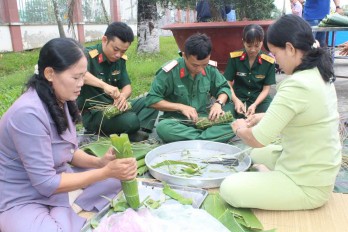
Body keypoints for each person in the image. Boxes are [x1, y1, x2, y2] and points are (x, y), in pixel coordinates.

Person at [0, 38, 137, 231]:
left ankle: (67, 208)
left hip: (57, 181)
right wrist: (104, 172)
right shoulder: (27, 114)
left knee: (118, 179)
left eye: (83, 76)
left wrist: (100, 163)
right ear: (50, 73)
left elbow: (68, 151)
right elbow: (46, 183)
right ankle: (61, 212)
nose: (81, 83)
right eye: (76, 77)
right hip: (23, 194)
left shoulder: (61, 99)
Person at [220, 15, 341, 210]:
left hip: (306, 185)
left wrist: (239, 129)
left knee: (229, 187)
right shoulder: (320, 72)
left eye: (276, 53)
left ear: (290, 49)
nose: (276, 61)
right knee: (253, 155)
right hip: (314, 167)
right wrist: (263, 116)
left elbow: (257, 139)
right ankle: (269, 174)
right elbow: (305, 115)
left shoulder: (296, 84)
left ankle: (272, 179)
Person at [145, 33, 235, 143]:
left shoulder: (210, 69)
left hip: (204, 119)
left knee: (234, 125)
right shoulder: (170, 71)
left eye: (204, 65)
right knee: (163, 128)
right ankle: (207, 139)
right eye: (195, 65)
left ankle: (195, 140)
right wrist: (180, 107)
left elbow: (224, 88)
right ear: (184, 56)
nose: (200, 69)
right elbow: (151, 99)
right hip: (177, 121)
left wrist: (218, 104)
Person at [77, 22, 158, 142]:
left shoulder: (119, 60)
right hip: (94, 114)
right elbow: (79, 74)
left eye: (123, 51)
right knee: (131, 120)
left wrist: (122, 97)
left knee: (152, 100)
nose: (118, 55)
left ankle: (139, 131)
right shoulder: (87, 55)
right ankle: (130, 130)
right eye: (115, 49)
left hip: (114, 107)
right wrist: (105, 86)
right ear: (105, 40)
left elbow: (127, 87)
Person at [224, 24, 276, 119]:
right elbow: (227, 83)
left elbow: (266, 89)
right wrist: (235, 100)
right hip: (237, 97)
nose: (253, 50)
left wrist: (255, 104)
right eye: (249, 45)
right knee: (224, 117)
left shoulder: (269, 62)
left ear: (262, 41)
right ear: (243, 42)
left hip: (260, 99)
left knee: (269, 117)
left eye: (257, 45)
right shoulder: (234, 58)